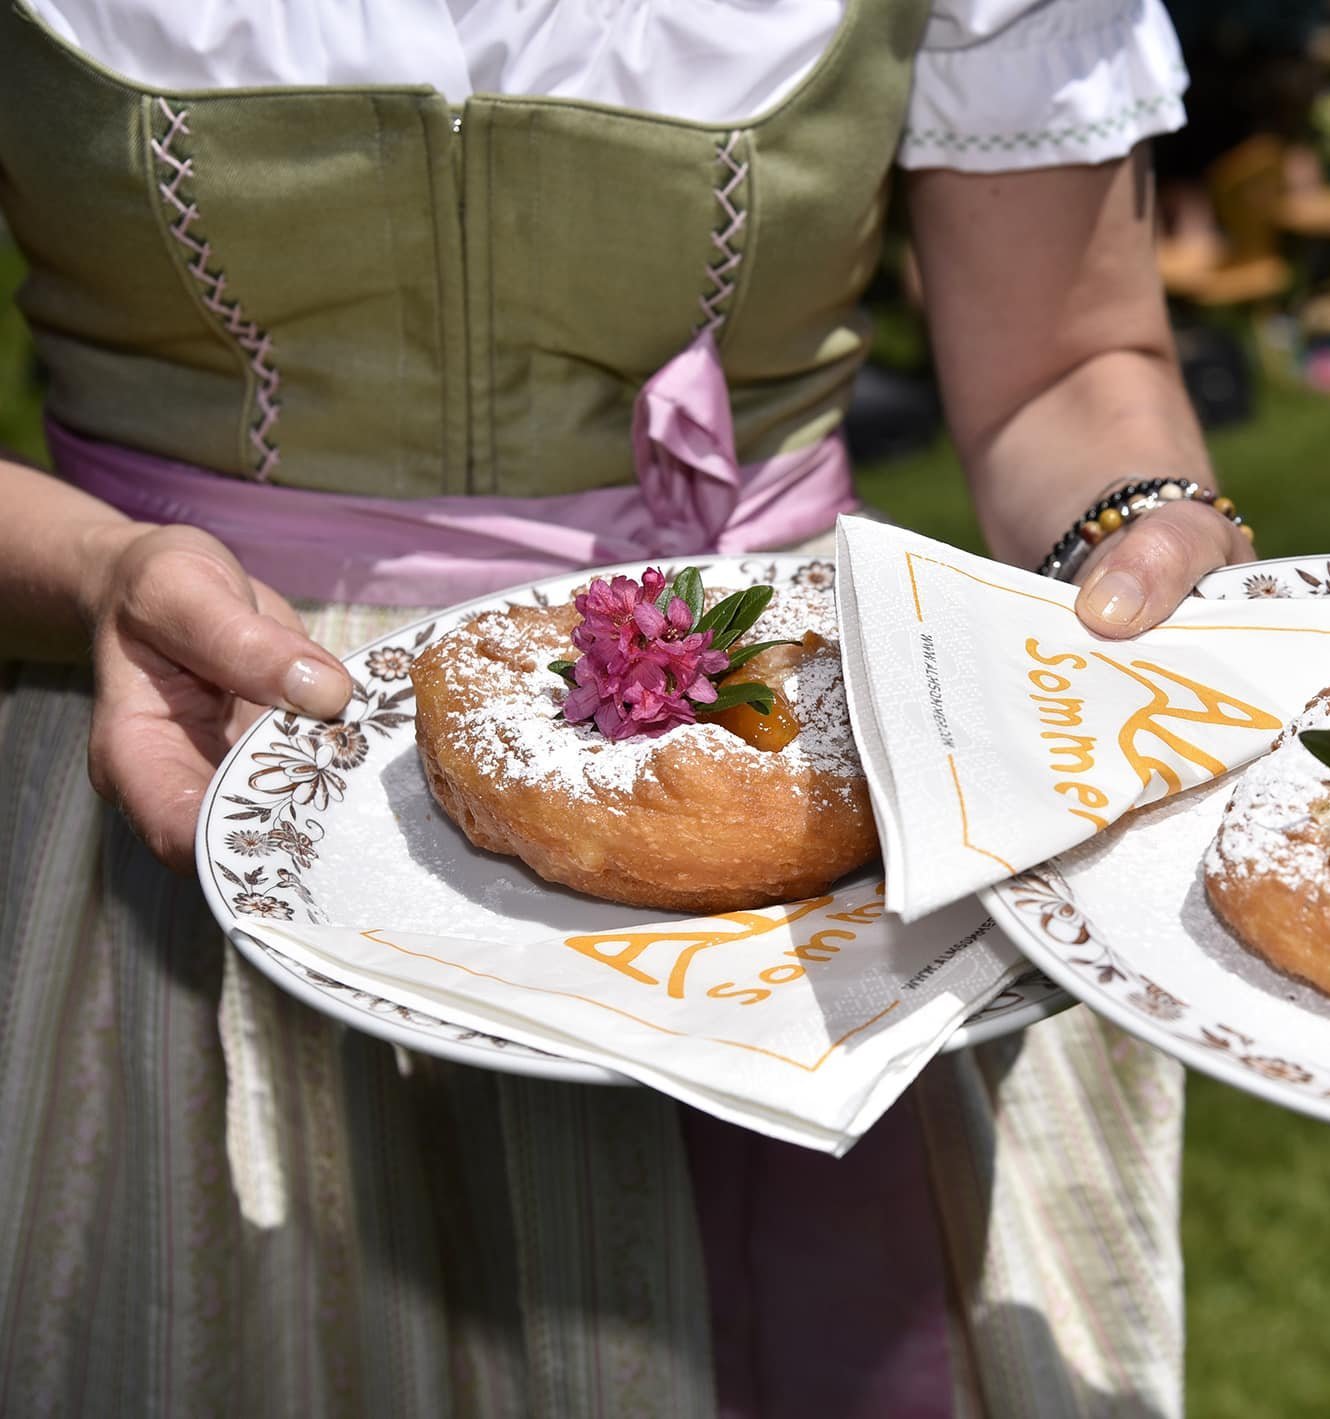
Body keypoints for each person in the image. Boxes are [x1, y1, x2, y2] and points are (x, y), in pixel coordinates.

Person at [0, 1, 1253, 1415]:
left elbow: (1062, 365)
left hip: (810, 814)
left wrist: (1129, 531)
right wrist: (96, 571)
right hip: (189, 746)